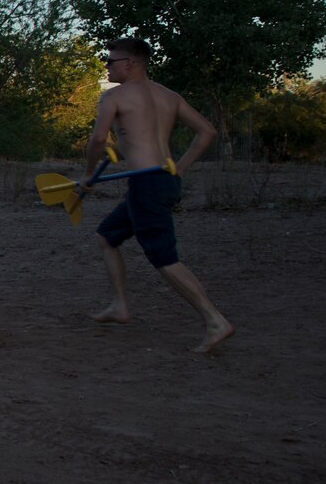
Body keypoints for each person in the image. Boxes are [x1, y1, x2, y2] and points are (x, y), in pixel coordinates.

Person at [82, 37, 234, 353]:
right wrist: (178, 168)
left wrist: (87, 176)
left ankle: (215, 319)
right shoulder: (169, 96)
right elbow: (207, 132)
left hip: (147, 184)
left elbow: (98, 139)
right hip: (163, 180)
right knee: (108, 235)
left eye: (110, 61)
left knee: (164, 258)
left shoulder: (114, 97)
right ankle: (119, 305)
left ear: (130, 63)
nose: (106, 66)